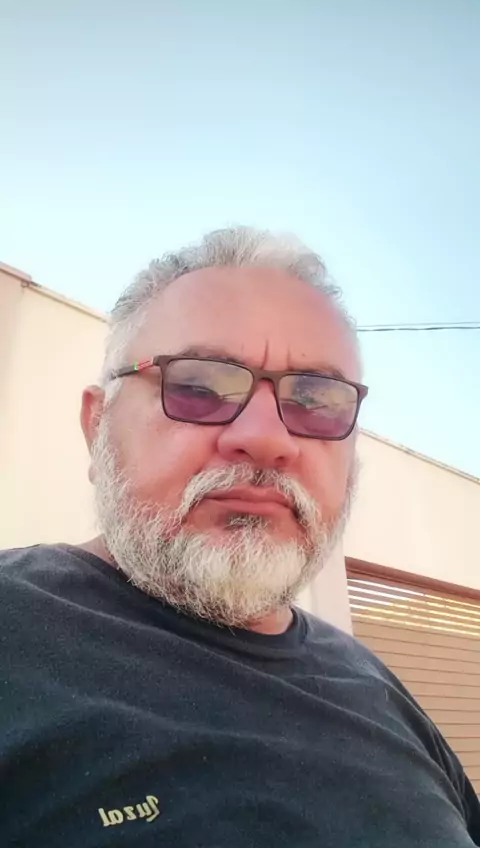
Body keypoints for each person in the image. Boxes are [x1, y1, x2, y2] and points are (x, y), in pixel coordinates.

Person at [1, 226, 479, 848]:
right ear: (98, 427)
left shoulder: (379, 688)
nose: (267, 438)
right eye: (197, 387)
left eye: (317, 401)